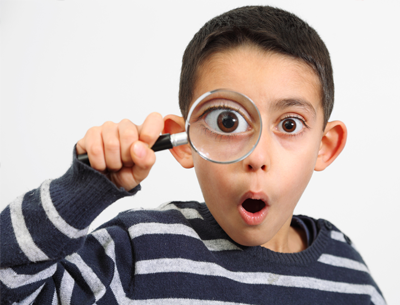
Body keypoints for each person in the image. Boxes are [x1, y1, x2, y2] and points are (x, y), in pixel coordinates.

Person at [0, 5, 385, 304]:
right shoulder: (139, 252)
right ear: (183, 141)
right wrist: (82, 191)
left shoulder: (348, 274)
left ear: (325, 145)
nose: (258, 157)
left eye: (288, 125)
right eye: (228, 121)